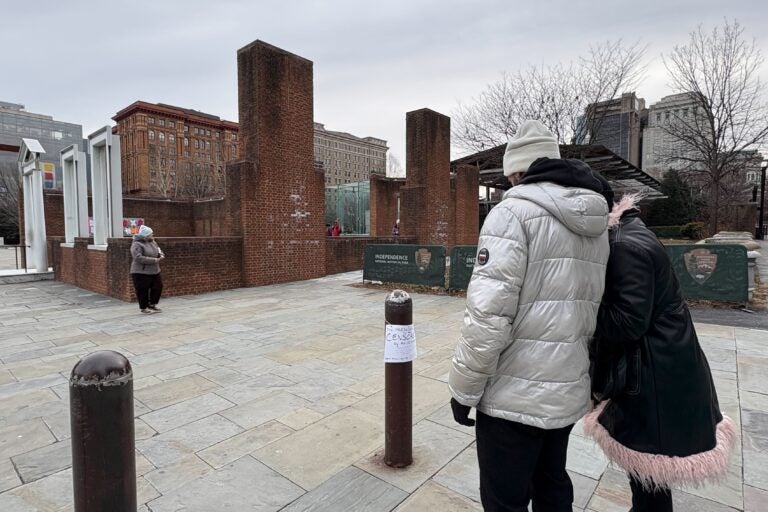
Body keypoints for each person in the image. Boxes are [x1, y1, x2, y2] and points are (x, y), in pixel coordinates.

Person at [448, 120, 611, 512]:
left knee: (505, 499)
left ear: (516, 171)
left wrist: (463, 390)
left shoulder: (511, 214)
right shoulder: (596, 221)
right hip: (565, 388)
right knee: (553, 485)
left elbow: (488, 316)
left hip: (512, 395)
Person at [583, 182, 736, 512]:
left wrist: (581, 306)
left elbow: (627, 322)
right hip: (661, 366)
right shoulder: (629, 233)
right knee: (649, 476)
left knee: (650, 475)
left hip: (652, 375)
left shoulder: (624, 246)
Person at [130, 225, 165, 314]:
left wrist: (161, 254)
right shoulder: (137, 244)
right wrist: (154, 260)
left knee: (158, 286)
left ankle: (152, 304)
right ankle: (144, 307)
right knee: (143, 289)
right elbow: (138, 257)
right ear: (145, 235)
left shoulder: (153, 242)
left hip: (154, 270)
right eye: (151, 234)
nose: (152, 235)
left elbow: (158, 250)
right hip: (141, 271)